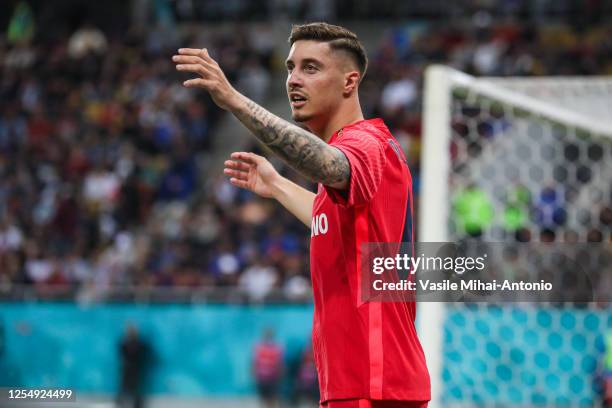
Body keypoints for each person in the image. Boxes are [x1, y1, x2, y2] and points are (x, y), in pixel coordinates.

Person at [172, 22, 430, 408]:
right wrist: (277, 185)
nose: (293, 80)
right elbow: (331, 222)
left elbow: (329, 165)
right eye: (291, 68)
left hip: (372, 385)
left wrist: (235, 101)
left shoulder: (366, 144)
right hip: (360, 383)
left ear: (349, 82)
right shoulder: (353, 165)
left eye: (310, 68)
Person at [253, 328, 284, 408]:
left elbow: (280, 364)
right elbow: (254, 363)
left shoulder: (276, 348)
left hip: (272, 379)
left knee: (272, 399)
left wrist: (279, 377)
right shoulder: (259, 348)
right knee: (264, 399)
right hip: (262, 379)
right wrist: (255, 375)